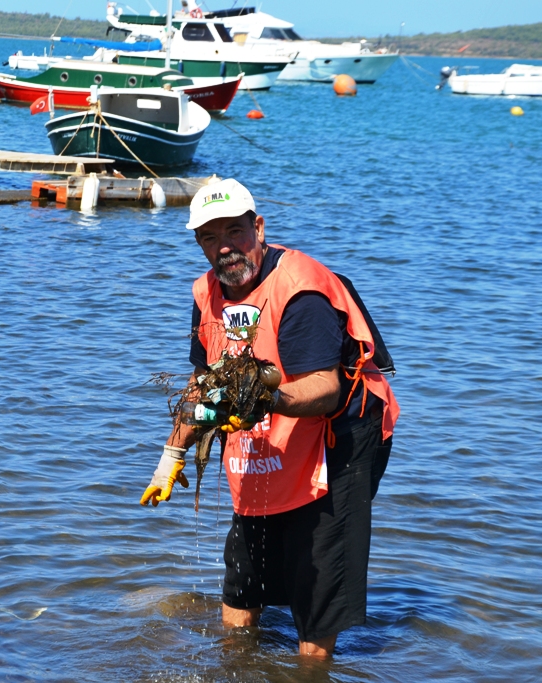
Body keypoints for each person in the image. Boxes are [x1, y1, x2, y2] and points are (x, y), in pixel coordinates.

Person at [140, 178, 400, 658]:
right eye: (209, 238)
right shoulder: (206, 296)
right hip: (269, 411)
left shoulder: (300, 290)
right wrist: (170, 457)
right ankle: (236, 659)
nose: (225, 249)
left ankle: (312, 661)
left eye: (234, 232)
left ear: (258, 228)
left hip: (344, 427)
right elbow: (204, 384)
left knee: (316, 570)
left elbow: (324, 388)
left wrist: (264, 404)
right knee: (245, 565)